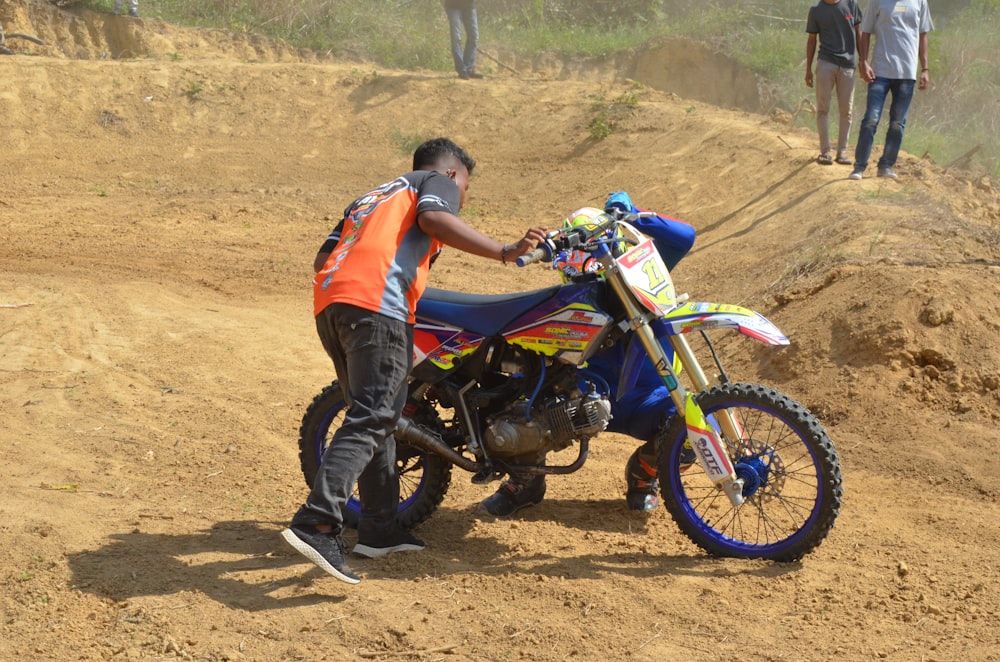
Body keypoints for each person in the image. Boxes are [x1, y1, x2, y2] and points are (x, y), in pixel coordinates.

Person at [282, 138, 547, 584]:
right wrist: (506, 250)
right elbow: (434, 218)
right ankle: (317, 522)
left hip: (332, 305)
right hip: (377, 306)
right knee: (374, 416)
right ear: (452, 175)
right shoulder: (432, 182)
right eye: (465, 187)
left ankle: (380, 530)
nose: (462, 197)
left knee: (381, 418)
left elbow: (322, 259)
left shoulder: (370, 199)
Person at [479, 192, 698, 517]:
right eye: (579, 270)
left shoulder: (643, 270)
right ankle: (527, 479)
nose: (590, 277)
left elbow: (685, 236)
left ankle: (644, 472)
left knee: (699, 428)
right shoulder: (572, 293)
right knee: (522, 398)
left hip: (651, 399)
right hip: (588, 395)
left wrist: (632, 213)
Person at [848, 0, 933, 180]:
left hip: (907, 73)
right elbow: (865, 32)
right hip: (880, 71)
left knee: (897, 123)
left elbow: (923, 35)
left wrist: (925, 69)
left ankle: (886, 166)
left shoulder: (920, 2)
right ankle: (859, 167)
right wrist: (863, 62)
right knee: (871, 119)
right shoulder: (877, 1)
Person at [805, 0, 863, 166]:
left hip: (848, 66)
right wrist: (808, 69)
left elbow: (859, 33)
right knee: (823, 108)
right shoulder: (816, 10)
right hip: (826, 63)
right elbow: (811, 40)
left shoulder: (851, 4)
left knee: (846, 110)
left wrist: (863, 61)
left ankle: (842, 152)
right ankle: (825, 151)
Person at [443, 0, 482, 79]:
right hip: (453, 6)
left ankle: (468, 68)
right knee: (456, 38)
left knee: (474, 36)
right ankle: (462, 69)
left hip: (469, 6)